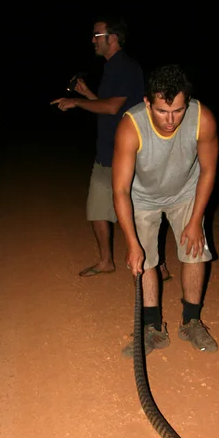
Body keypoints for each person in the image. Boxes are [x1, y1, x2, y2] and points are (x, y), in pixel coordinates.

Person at [50, 15, 170, 279]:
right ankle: (106, 261)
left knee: (139, 211)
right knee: (96, 209)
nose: (92, 40)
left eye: (97, 35)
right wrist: (87, 95)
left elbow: (114, 106)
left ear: (112, 39)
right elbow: (110, 108)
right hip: (105, 150)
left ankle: (157, 264)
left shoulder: (126, 67)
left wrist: (77, 103)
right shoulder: (111, 67)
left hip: (128, 153)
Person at [112, 64, 219, 357]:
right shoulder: (131, 125)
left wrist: (196, 220)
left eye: (178, 110)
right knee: (144, 258)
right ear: (148, 102)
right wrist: (132, 243)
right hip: (142, 197)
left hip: (185, 191)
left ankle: (192, 321)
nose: (171, 120)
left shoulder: (202, 118)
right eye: (162, 111)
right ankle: (152, 329)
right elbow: (120, 190)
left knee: (195, 249)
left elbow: (208, 171)